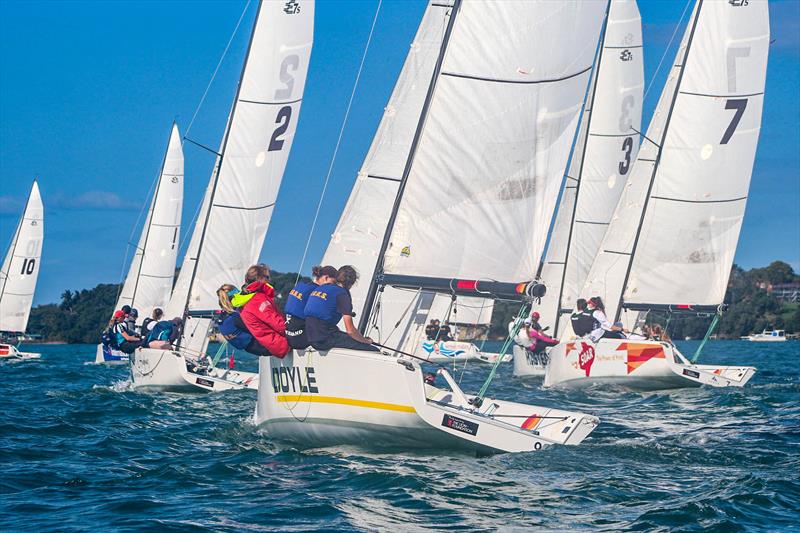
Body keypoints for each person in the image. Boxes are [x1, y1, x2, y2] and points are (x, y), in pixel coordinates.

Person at [304, 265, 379, 352]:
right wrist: (366, 341)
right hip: (323, 340)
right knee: (373, 350)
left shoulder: (321, 287)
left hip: (310, 336)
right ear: (352, 282)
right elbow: (350, 330)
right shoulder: (342, 294)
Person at [239, 264, 290, 358]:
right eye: (267, 277)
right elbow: (278, 325)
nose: (268, 280)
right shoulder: (257, 299)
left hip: (274, 345)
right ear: (260, 278)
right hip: (283, 344)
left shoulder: (244, 299)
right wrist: (294, 330)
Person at [284, 265, 338, 350]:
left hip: (289, 337)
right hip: (301, 340)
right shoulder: (317, 293)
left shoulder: (300, 286)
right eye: (334, 282)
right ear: (326, 278)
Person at [216, 283, 270, 356]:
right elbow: (259, 328)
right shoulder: (236, 315)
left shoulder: (224, 316)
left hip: (252, 347)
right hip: (261, 346)